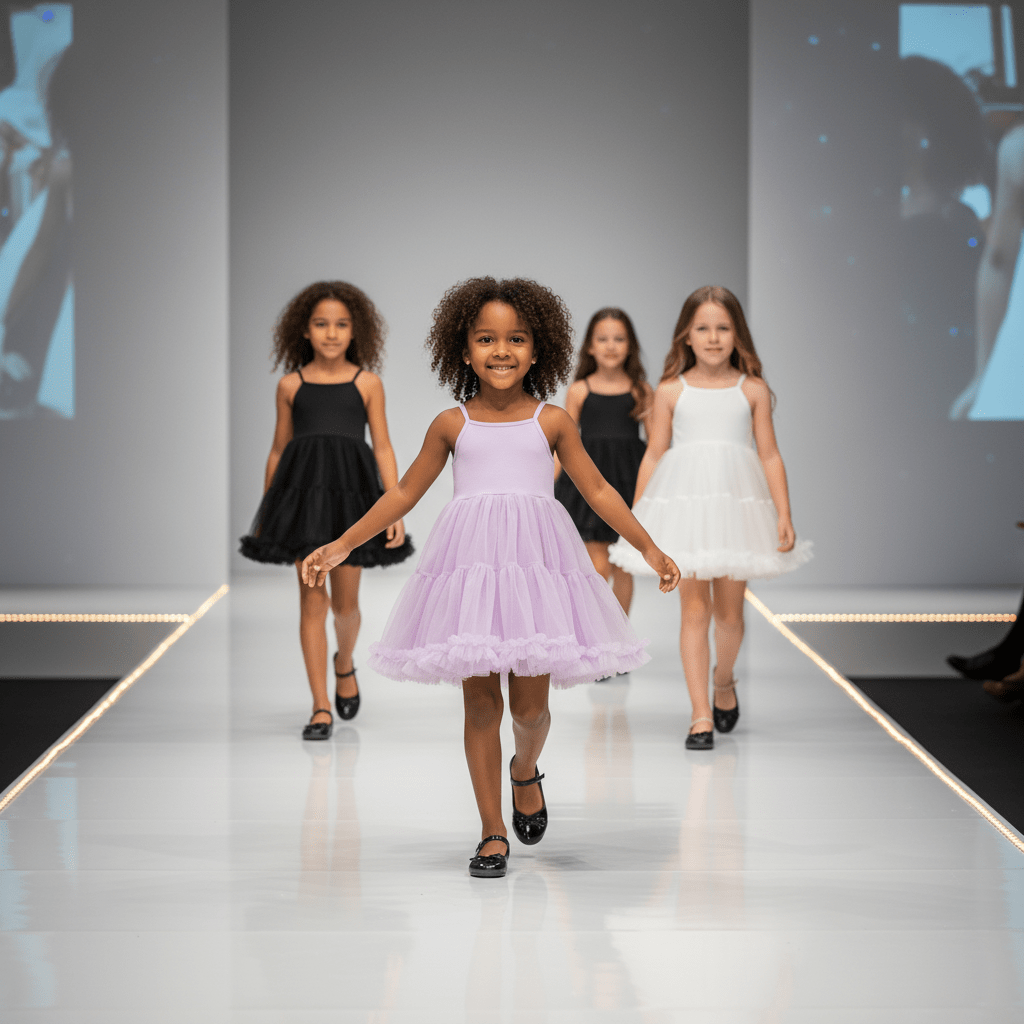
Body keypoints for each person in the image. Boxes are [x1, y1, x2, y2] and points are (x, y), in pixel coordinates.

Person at [300, 277, 680, 878]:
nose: (501, 351)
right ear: (464, 349)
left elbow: (599, 490)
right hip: (471, 575)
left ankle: (525, 769)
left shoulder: (552, 421)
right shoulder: (451, 425)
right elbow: (402, 493)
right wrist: (341, 543)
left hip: (534, 573)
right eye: (486, 339)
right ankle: (491, 831)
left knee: (530, 711)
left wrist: (651, 549)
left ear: (539, 349)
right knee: (481, 707)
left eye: (516, 339)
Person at [610, 286, 811, 750]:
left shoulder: (752, 389)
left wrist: (784, 513)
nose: (714, 338)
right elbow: (655, 454)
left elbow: (770, 454)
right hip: (684, 506)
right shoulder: (670, 391)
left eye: (723, 328)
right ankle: (700, 713)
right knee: (693, 610)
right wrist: (640, 520)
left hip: (735, 507)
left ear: (738, 334)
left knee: (730, 614)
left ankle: (724, 681)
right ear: (686, 335)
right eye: (703, 328)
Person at [240, 281, 413, 739]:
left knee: (346, 607)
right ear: (305, 330)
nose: (331, 333)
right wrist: (270, 507)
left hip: (353, 499)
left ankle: (344, 660)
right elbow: (279, 449)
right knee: (312, 601)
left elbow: (383, 447)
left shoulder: (367, 382)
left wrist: (394, 505)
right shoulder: (290, 385)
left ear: (356, 331)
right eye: (321, 324)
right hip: (302, 502)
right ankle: (320, 706)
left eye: (341, 325)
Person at [554, 307, 651, 615]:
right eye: (603, 339)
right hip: (588, 481)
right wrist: (549, 484)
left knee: (625, 566)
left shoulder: (641, 391)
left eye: (619, 338)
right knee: (598, 566)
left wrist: (654, 491)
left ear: (630, 346)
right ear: (590, 347)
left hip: (630, 481)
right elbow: (563, 441)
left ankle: (620, 640)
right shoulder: (580, 390)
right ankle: (596, 637)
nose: (611, 346)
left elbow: (656, 447)